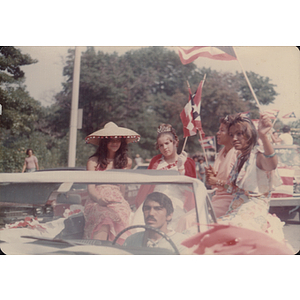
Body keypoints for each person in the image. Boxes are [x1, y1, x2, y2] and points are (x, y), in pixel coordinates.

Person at [217, 112, 287, 244]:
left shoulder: (258, 155)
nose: (234, 138)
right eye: (231, 135)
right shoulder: (240, 157)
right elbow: (233, 187)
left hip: (253, 210)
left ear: (250, 135)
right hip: (236, 208)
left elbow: (271, 163)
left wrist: (263, 136)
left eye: (239, 134)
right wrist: (214, 182)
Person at [83, 121, 140, 243]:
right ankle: (98, 253)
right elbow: (91, 188)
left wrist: (123, 203)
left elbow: (122, 188)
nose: (115, 143)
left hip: (117, 201)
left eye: (118, 140)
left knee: (120, 214)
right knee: (105, 217)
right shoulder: (93, 161)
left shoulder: (126, 162)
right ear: (104, 142)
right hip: (96, 201)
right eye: (111, 140)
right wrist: (99, 199)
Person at [135, 123, 196, 210]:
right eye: (161, 145)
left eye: (167, 143)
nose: (165, 147)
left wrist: (181, 168)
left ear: (175, 142)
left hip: (176, 203)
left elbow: (190, 191)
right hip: (154, 202)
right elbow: (147, 186)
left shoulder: (187, 162)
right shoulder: (155, 161)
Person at [205, 115, 238, 217]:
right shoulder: (221, 153)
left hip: (231, 201)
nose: (217, 133)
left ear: (231, 134)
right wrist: (210, 177)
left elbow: (238, 188)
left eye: (222, 130)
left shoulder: (238, 154)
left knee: (190, 220)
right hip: (216, 199)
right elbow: (213, 183)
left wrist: (217, 181)